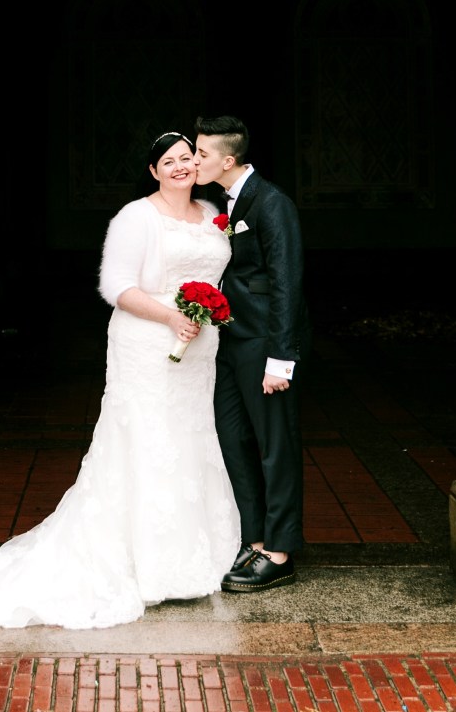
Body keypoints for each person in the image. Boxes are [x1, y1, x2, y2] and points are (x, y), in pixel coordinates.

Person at [0, 130, 239, 628]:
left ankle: (195, 554)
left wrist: (205, 314)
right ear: (153, 170)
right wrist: (169, 318)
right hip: (147, 345)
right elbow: (115, 285)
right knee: (146, 441)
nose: (180, 166)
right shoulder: (135, 217)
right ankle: (147, 562)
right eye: (169, 160)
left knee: (190, 438)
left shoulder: (212, 216)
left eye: (188, 158)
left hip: (199, 352)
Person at [193, 115, 310, 592]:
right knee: (234, 437)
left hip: (264, 344)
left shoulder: (272, 203)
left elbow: (287, 282)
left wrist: (281, 359)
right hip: (231, 342)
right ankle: (256, 538)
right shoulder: (229, 201)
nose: (195, 161)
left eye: (201, 154)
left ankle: (280, 552)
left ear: (228, 159)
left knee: (275, 446)